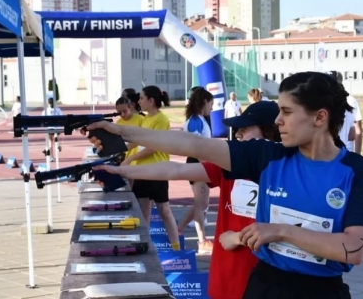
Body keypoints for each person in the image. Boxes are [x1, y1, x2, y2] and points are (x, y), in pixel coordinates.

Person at [86, 72, 363, 298]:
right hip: (264, 285)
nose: (278, 120)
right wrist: (119, 131)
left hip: (322, 291)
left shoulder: (359, 172)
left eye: (287, 112)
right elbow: (192, 143)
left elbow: (353, 249)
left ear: (320, 117)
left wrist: (281, 230)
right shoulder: (267, 156)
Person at [94, 101, 281, 299]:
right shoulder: (230, 166)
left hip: (263, 282)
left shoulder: (284, 172)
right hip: (224, 279)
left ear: (269, 132)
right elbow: (176, 169)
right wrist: (122, 170)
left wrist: (237, 238)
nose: (237, 135)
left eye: (244, 129)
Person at [118, 85, 181, 251]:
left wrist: (130, 158)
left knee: (164, 210)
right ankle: (144, 247)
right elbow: (138, 141)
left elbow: (153, 147)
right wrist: (117, 149)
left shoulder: (161, 119)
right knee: (143, 211)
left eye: (142, 98)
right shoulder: (145, 119)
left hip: (158, 171)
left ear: (151, 101)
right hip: (142, 172)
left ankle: (176, 248)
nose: (139, 102)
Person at [179, 87, 214, 253]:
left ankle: (179, 229)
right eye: (211, 104)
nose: (212, 108)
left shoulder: (199, 119)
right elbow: (196, 147)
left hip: (200, 164)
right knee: (202, 204)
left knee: (200, 203)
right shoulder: (195, 121)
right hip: (198, 164)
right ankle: (202, 242)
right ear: (205, 102)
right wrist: (208, 167)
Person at [330, 71, 363, 153]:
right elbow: (354, 133)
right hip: (345, 151)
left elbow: (355, 132)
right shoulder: (351, 100)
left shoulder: (324, 101)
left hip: (333, 152)